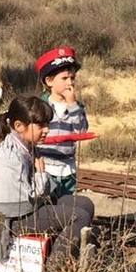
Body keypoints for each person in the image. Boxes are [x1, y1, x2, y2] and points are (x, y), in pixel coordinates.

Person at [0, 96, 95, 272]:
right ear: (19, 125)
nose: (47, 130)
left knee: (84, 204)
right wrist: (41, 174)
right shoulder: (10, 156)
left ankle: (66, 257)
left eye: (47, 124)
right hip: (10, 218)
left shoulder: (24, 146)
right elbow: (29, 199)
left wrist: (46, 182)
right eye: (40, 125)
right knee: (78, 216)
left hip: (21, 209)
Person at [35, 46, 89, 196]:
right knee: (46, 204)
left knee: (66, 206)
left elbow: (81, 131)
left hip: (68, 169)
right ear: (49, 81)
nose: (70, 83)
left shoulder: (77, 108)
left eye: (72, 78)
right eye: (64, 78)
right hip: (45, 166)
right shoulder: (39, 105)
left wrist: (72, 106)